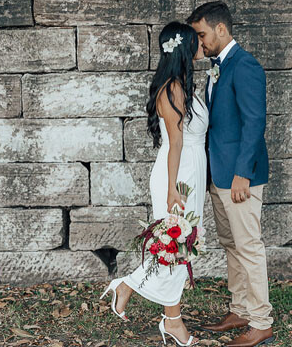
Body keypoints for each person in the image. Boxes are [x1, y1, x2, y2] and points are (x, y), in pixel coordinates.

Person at [100, 21, 207, 346]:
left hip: (191, 171)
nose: (202, 45)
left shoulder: (182, 84)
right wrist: (173, 188)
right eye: (196, 42)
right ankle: (164, 314)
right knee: (174, 246)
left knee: (179, 246)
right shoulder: (173, 88)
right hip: (179, 175)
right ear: (186, 49)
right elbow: (175, 143)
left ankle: (137, 293)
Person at [188, 1, 275, 347]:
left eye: (202, 34)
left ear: (221, 29)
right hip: (218, 175)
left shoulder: (245, 65)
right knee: (231, 245)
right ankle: (240, 308)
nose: (200, 41)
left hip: (240, 177)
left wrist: (243, 174)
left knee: (249, 246)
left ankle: (261, 321)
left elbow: (255, 122)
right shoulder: (217, 67)